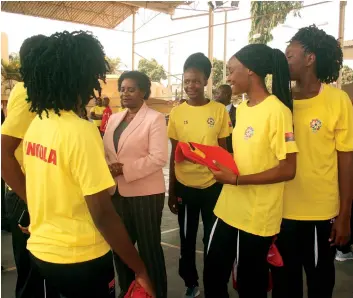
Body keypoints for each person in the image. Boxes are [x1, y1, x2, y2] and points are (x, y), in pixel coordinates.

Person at [19, 31, 154, 298]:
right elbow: (102, 214)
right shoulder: (81, 131)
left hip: (41, 252)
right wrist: (139, 269)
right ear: (80, 79)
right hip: (81, 257)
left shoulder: (37, 124)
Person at [203, 44, 298, 298]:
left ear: (251, 71)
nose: (229, 77)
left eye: (232, 70)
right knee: (213, 275)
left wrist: (236, 179)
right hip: (229, 207)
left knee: (250, 286)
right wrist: (213, 160)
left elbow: (288, 169)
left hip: (258, 216)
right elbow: (246, 155)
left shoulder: (278, 111)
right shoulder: (241, 109)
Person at [271, 25, 353, 298]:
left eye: (289, 54)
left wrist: (344, 215)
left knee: (319, 286)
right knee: (284, 286)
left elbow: (346, 161)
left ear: (310, 58)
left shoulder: (337, 100)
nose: (284, 60)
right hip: (280, 214)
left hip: (320, 216)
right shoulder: (278, 103)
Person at [167, 52, 232, 298]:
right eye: (186, 81)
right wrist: (172, 191)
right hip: (185, 187)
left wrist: (227, 184)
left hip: (213, 186)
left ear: (206, 81)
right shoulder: (176, 113)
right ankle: (190, 282)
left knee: (213, 242)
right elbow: (175, 154)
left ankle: (214, 286)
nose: (190, 86)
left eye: (195, 81)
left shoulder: (218, 111)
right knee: (187, 238)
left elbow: (224, 151)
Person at [103, 70, 168, 298]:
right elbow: (107, 153)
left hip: (146, 195)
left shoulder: (155, 118)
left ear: (143, 92)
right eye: (122, 89)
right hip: (117, 193)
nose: (125, 93)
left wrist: (123, 169)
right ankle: (127, 291)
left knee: (149, 249)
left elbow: (159, 157)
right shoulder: (113, 120)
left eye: (131, 89)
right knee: (122, 249)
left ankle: (157, 292)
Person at [1, 34, 50, 298]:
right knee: (31, 274)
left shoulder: (42, 91)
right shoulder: (28, 92)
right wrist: (32, 201)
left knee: (45, 269)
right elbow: (3, 152)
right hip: (26, 193)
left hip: (38, 190)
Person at [214, 84, 235, 153]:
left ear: (225, 95)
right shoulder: (213, 112)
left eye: (218, 93)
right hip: (215, 152)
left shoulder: (238, 113)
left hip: (232, 152)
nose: (215, 95)